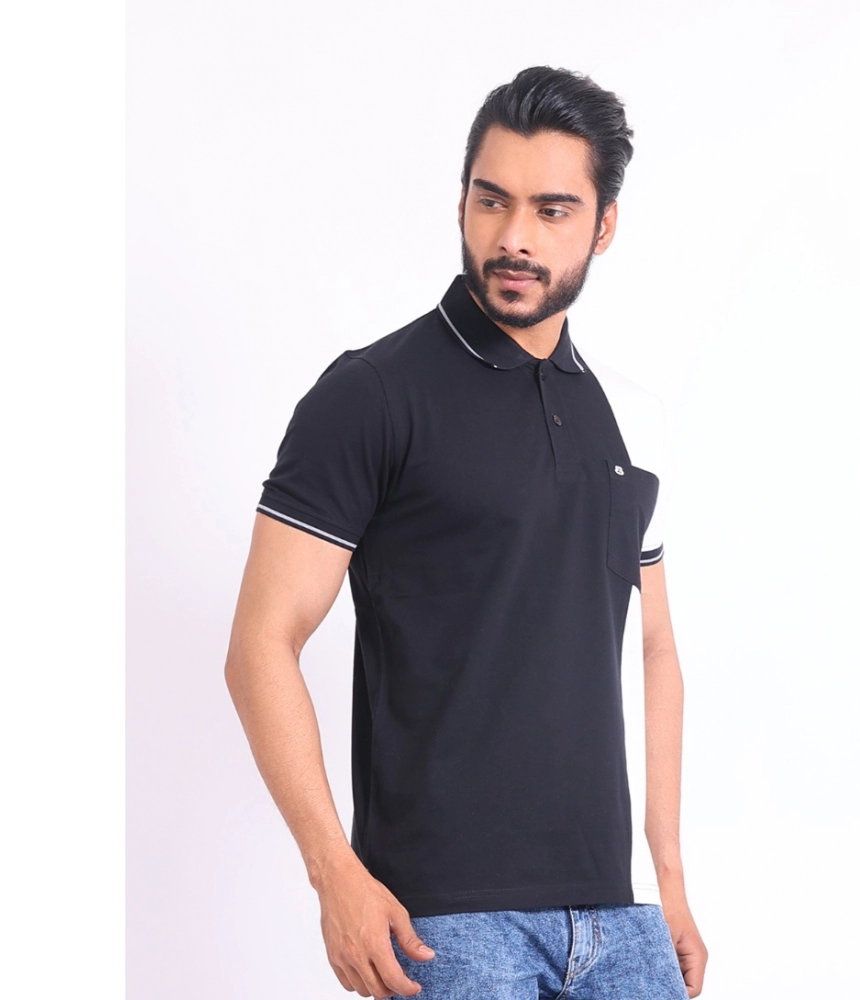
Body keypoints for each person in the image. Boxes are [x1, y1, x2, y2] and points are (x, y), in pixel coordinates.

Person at [225, 65, 708, 1000]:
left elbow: (654, 648)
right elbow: (260, 643)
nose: (514, 237)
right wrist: (334, 874)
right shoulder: (372, 394)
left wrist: (670, 884)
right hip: (443, 924)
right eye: (493, 201)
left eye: (553, 210)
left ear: (604, 225)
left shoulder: (632, 417)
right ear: (462, 203)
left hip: (620, 918)